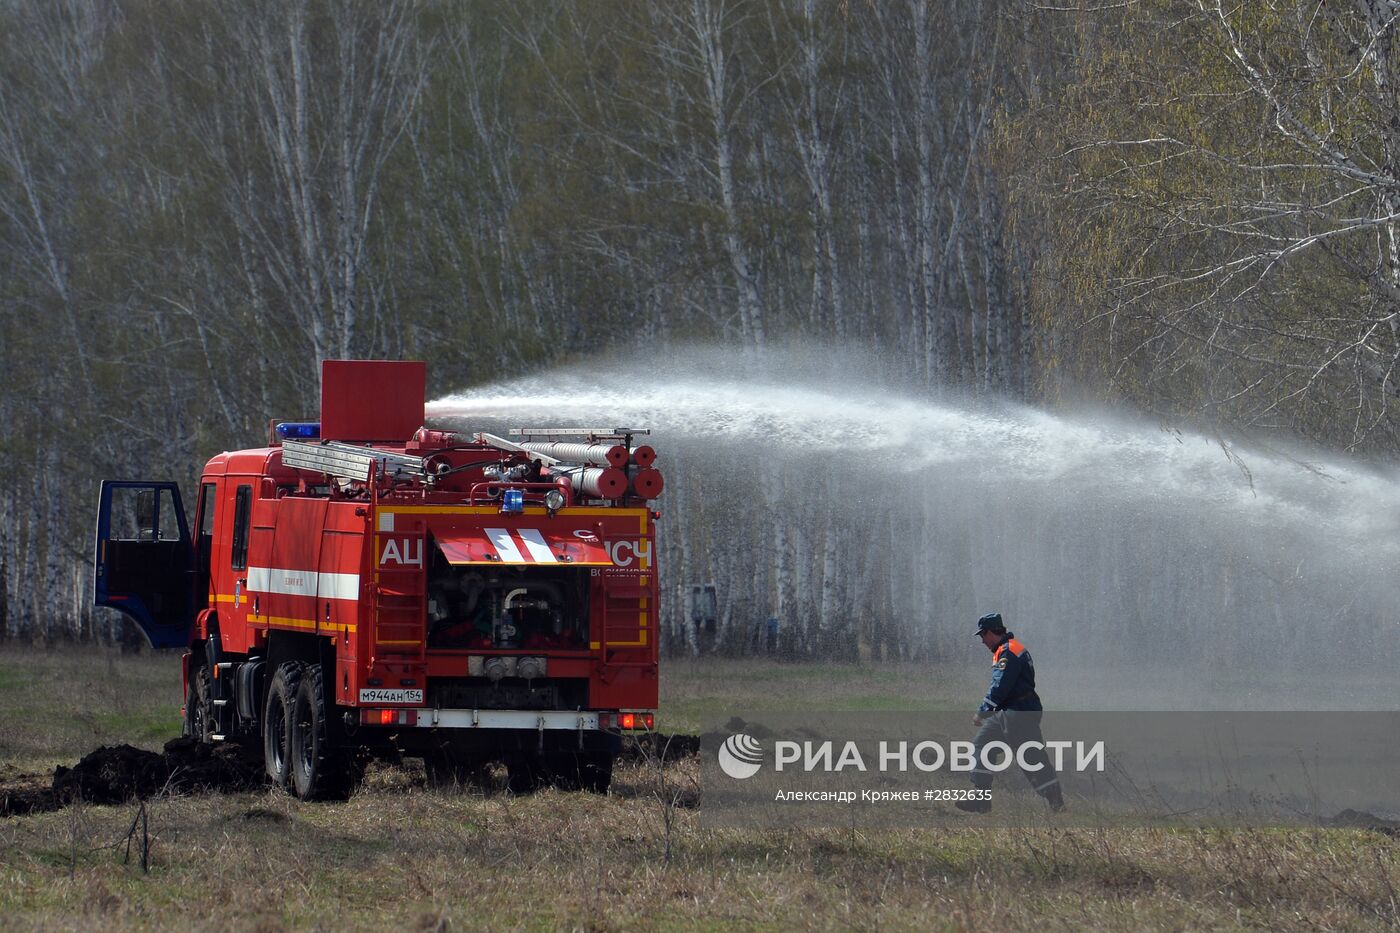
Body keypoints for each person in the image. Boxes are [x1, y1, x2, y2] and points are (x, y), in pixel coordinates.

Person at [955, 612, 1064, 813]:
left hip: (1019, 712)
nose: (982, 641)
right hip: (1009, 712)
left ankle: (1056, 801)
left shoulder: (1008, 652)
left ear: (990, 632)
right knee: (982, 744)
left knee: (1030, 757)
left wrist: (983, 711)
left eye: (982, 636)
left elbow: (1000, 686)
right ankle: (981, 799)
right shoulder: (1006, 650)